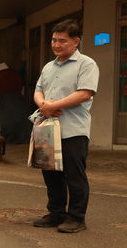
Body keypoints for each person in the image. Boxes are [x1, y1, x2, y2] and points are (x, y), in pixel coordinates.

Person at [32, 20, 98, 233]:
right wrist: (44, 105)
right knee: (50, 174)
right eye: (54, 40)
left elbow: (85, 93)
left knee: (74, 175)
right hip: (48, 129)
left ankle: (77, 217)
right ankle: (56, 212)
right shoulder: (49, 66)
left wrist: (54, 106)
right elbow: (38, 90)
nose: (56, 44)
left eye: (62, 40)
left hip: (72, 129)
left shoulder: (86, 64)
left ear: (76, 41)